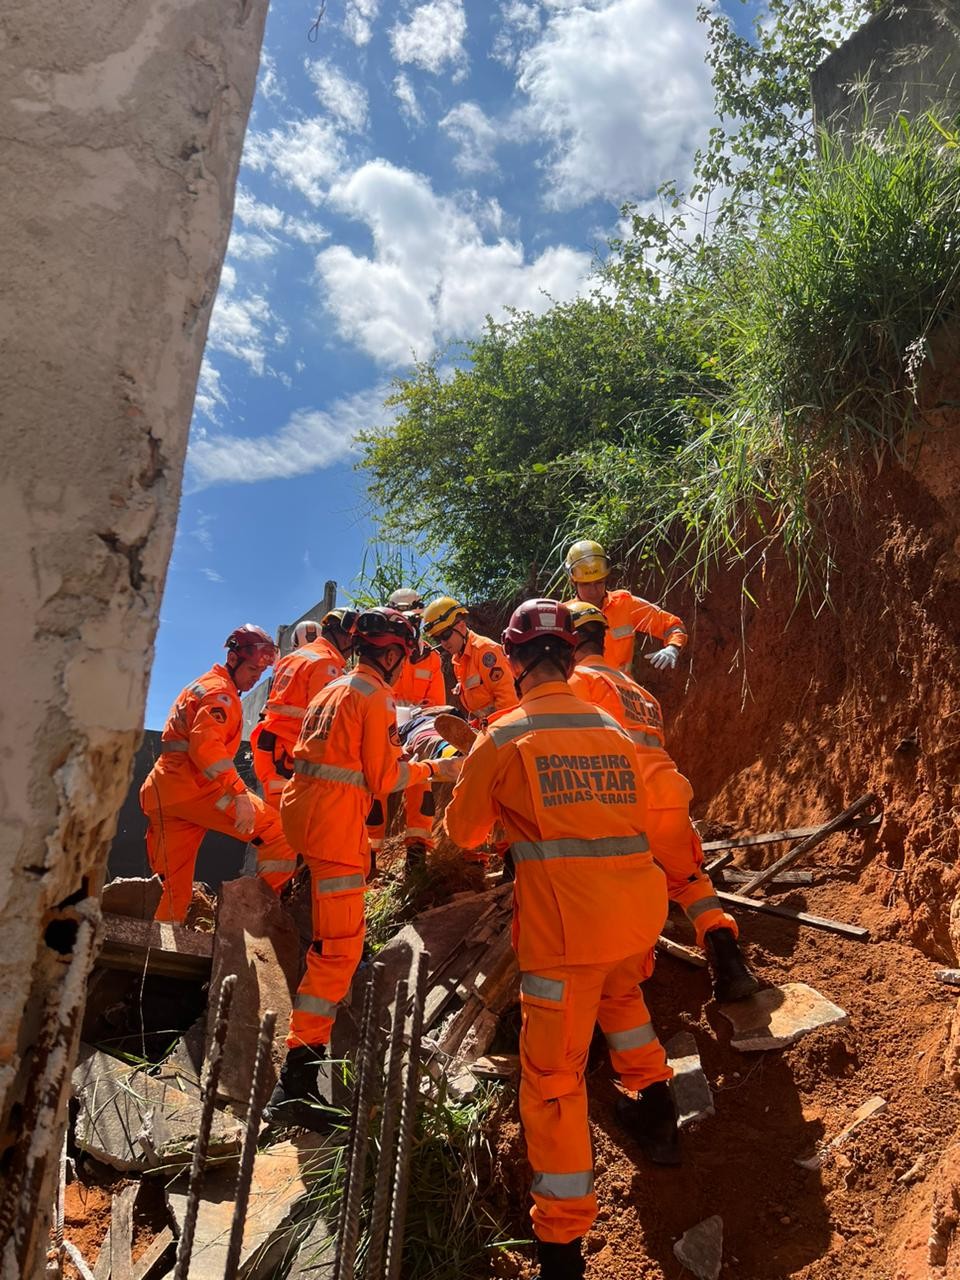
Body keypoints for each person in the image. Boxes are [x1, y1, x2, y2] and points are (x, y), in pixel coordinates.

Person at [444, 599, 679, 1280]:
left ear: (514, 661)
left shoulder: (505, 733)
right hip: (634, 912)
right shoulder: (612, 727)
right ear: (573, 656)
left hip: (565, 933)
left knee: (553, 1083)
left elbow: (463, 834)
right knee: (623, 999)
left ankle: (562, 1248)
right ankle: (660, 1112)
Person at [265, 608, 460, 1129]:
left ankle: (349, 953)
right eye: (406, 656)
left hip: (304, 813)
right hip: (333, 823)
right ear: (394, 653)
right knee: (336, 952)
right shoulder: (374, 697)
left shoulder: (334, 689)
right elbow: (385, 777)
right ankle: (295, 1082)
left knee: (341, 925)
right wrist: (439, 768)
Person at [566, 602, 759, 1002]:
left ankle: (624, 992)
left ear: (568, 641)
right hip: (670, 791)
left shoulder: (580, 682)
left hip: (625, 798)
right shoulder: (640, 691)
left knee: (612, 886)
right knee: (689, 881)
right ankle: (728, 961)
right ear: (602, 637)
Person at [140, 625, 297, 923]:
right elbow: (206, 750)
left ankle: (157, 958)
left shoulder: (204, 685)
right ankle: (257, 919)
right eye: (252, 669)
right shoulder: (220, 695)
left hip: (165, 794)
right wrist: (238, 793)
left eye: (261, 673)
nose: (256, 677)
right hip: (197, 790)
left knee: (175, 892)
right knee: (280, 833)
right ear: (234, 659)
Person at [366, 588, 448, 873]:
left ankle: (416, 855)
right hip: (382, 724)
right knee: (374, 786)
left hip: (414, 726)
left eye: (415, 620)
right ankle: (370, 856)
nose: (413, 626)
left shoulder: (431, 658)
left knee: (420, 779)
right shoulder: (384, 650)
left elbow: (436, 707)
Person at [249, 618, 345, 810]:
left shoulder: (288, 662)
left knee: (278, 819)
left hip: (272, 745)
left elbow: (270, 707)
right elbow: (324, 716)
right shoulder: (326, 662)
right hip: (293, 748)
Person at [564, 539, 687, 674]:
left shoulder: (626, 605)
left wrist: (673, 647)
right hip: (584, 692)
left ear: (606, 578)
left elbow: (672, 625)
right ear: (573, 581)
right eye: (586, 585)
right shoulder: (564, 616)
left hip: (622, 691)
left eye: (599, 583)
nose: (593, 591)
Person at [421, 596, 515, 727]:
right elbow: (479, 707)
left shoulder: (485, 651)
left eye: (445, 635)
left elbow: (508, 700)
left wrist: (490, 733)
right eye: (438, 639)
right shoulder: (458, 660)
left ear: (461, 626)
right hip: (487, 728)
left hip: (505, 727)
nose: (443, 643)